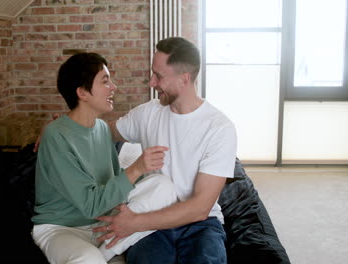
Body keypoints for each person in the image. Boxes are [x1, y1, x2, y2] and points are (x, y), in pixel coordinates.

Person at [91, 37, 237, 264]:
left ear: (184, 79)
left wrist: (133, 223)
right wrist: (65, 128)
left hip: (201, 223)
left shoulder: (219, 128)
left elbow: (199, 208)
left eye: (158, 76)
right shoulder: (147, 113)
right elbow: (103, 132)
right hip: (152, 220)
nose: (151, 83)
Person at [31, 52, 177, 264]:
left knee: (163, 186)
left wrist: (133, 193)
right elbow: (90, 205)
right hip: (64, 229)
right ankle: (101, 255)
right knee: (87, 259)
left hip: (103, 221)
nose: (113, 87)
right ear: (82, 92)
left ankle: (105, 253)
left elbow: (115, 181)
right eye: (105, 81)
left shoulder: (101, 128)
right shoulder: (56, 135)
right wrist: (136, 168)